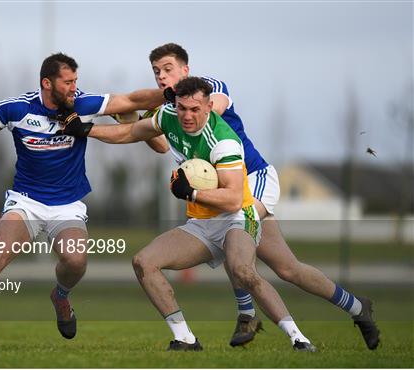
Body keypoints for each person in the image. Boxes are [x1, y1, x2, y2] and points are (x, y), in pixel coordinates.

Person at [0, 53, 167, 352]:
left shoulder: (83, 104)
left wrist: (170, 93)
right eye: (68, 82)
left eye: (75, 81)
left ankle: (60, 296)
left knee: (76, 261)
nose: (74, 88)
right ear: (47, 83)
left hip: (67, 204)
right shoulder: (17, 109)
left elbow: (133, 100)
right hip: (26, 202)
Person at [141, 43, 379, 350]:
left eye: (168, 68)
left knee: (232, 233)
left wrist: (163, 112)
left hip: (253, 181)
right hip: (224, 194)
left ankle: (248, 313)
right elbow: (161, 144)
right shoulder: (175, 112)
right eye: (156, 71)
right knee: (288, 268)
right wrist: (138, 123)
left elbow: (216, 108)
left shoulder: (208, 92)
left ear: (185, 69)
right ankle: (358, 307)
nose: (161, 76)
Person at [65, 76, 317, 352]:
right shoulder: (169, 115)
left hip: (238, 218)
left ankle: (298, 338)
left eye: (195, 109)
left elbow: (233, 199)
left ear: (209, 107)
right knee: (144, 262)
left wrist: (192, 193)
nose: (186, 115)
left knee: (242, 271)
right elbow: (132, 132)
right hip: (203, 223)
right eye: (182, 107)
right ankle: (185, 338)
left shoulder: (224, 142)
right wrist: (87, 130)